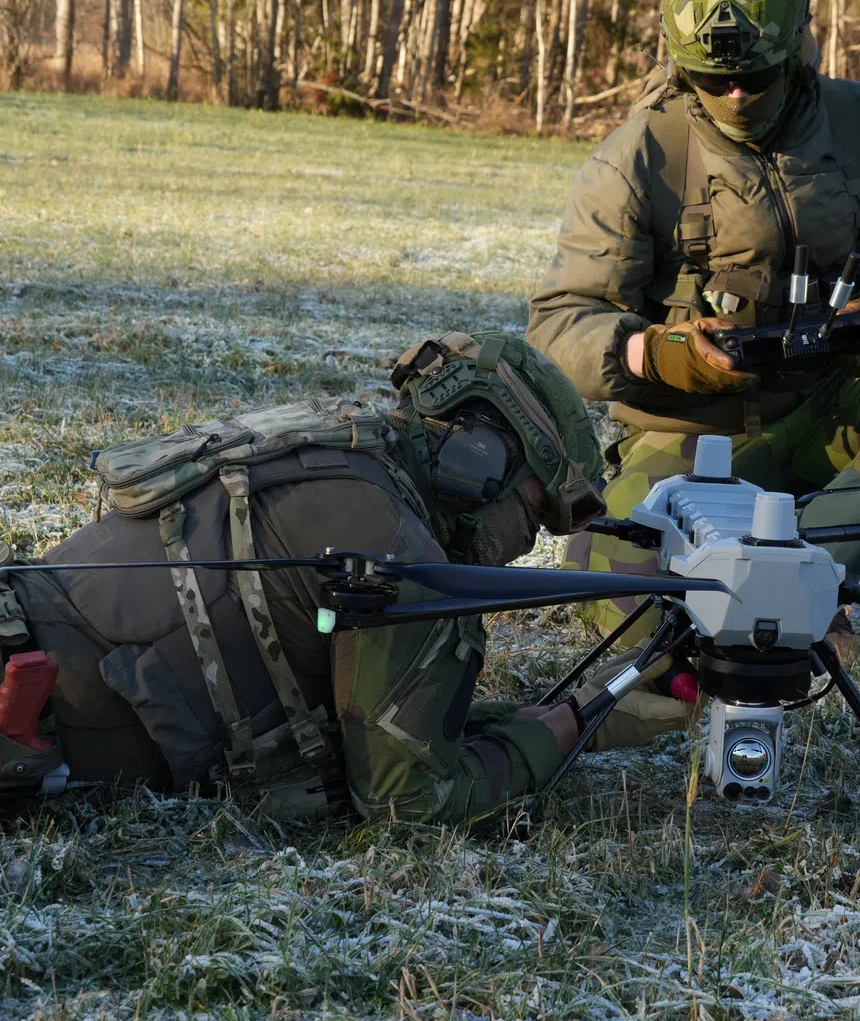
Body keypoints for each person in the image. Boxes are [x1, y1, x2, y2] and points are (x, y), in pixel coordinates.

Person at [526, 0, 860, 650]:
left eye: (754, 77)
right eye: (710, 77)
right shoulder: (638, 156)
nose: (734, 92)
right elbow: (558, 324)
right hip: (693, 438)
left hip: (833, 412)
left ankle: (803, 578)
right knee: (623, 599)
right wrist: (665, 354)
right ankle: (748, 594)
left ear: (796, 50)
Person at [0, 332, 694, 821]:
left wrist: (579, 715)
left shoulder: (335, 451)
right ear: (479, 458)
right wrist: (572, 732)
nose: (520, 548)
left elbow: (382, 729)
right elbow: (412, 801)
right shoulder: (394, 545)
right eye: (533, 514)